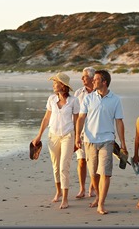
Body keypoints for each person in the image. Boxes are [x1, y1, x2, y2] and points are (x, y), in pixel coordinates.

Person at [75, 69, 127, 215]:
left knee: (105, 173)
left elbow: (119, 122)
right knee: (94, 174)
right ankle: (98, 196)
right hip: (90, 140)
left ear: (104, 82)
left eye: (96, 79)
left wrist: (123, 143)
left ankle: (101, 204)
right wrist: (77, 136)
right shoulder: (88, 98)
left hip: (107, 140)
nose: (93, 81)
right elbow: (81, 118)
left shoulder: (115, 100)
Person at [31, 72, 80, 209]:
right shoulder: (51, 99)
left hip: (68, 136)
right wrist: (39, 135)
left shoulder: (74, 101)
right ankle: (58, 191)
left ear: (63, 85)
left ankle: (65, 198)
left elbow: (76, 121)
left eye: (56, 82)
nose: (53, 85)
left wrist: (77, 138)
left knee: (64, 166)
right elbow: (46, 119)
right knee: (56, 166)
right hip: (53, 136)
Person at [74, 67, 96, 199]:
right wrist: (75, 132)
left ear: (92, 78)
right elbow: (75, 115)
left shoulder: (99, 93)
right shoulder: (78, 93)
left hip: (95, 133)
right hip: (80, 133)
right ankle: (82, 188)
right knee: (81, 161)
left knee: (93, 162)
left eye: (85, 76)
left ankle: (92, 187)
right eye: (82, 76)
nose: (82, 79)